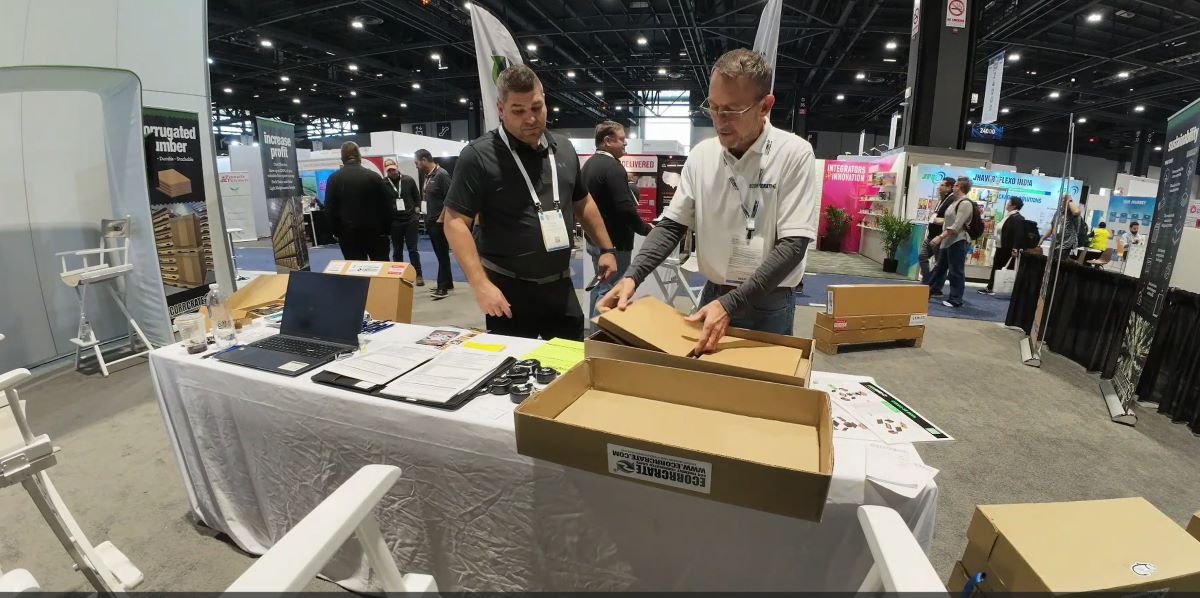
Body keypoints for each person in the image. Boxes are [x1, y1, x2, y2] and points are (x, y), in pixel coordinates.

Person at [598, 48, 819, 354]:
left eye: (732, 110)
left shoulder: (794, 153)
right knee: (704, 382)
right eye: (713, 107)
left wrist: (733, 303)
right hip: (715, 292)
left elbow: (794, 244)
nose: (719, 120)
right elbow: (672, 225)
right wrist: (633, 275)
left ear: (765, 106)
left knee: (762, 388)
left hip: (768, 300)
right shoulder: (703, 155)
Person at [441, 64, 617, 341]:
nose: (531, 118)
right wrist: (480, 285)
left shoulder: (564, 148)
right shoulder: (478, 156)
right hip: (509, 288)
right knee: (513, 373)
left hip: (560, 284)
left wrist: (606, 248)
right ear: (501, 109)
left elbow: (582, 201)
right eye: (518, 111)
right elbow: (455, 223)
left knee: (569, 365)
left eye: (536, 107)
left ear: (544, 100)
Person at [582, 120, 653, 317]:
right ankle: (603, 336)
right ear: (607, 141)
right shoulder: (613, 167)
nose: (625, 144)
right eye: (622, 140)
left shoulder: (589, 165)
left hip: (595, 239)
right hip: (615, 243)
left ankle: (594, 333)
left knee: (600, 287)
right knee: (610, 290)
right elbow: (625, 209)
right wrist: (647, 230)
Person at [324, 141, 395, 260]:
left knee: (356, 272)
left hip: (348, 235)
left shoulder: (333, 179)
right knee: (381, 270)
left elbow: (329, 209)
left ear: (342, 158)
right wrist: (387, 230)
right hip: (376, 233)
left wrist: (335, 232)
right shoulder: (374, 176)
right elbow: (387, 205)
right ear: (359, 156)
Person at [924, 178, 974, 308]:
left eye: (956, 185)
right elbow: (948, 221)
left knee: (956, 271)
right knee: (939, 268)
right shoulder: (955, 202)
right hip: (948, 241)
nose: (953, 187)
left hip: (957, 241)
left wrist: (940, 237)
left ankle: (955, 299)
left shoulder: (965, 204)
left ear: (961, 188)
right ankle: (925, 291)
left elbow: (957, 226)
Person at [415, 149, 454, 299]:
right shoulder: (427, 175)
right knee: (440, 254)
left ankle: (442, 287)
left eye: (417, 162)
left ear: (424, 160)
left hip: (439, 222)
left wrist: (441, 218)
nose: (417, 166)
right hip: (430, 221)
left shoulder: (442, 175)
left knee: (442, 255)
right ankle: (448, 282)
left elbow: (450, 199)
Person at [384, 158, 424, 286]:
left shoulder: (408, 180)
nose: (392, 172)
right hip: (395, 222)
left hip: (410, 220)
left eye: (393, 169)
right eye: (389, 170)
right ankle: (399, 277)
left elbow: (417, 198)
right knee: (397, 251)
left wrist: (417, 212)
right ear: (386, 171)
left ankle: (418, 275)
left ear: (397, 168)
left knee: (413, 250)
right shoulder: (383, 183)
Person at [980, 197, 1025, 295]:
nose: (1007, 204)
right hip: (1001, 246)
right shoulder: (1008, 216)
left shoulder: (1017, 218)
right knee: (996, 267)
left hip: (1008, 248)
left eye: (1009, 202)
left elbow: (1018, 234)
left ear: (1014, 205)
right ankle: (991, 287)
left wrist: (1015, 249)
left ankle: (998, 289)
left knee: (1004, 268)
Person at [918, 177, 957, 280]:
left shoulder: (952, 200)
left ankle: (935, 288)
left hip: (940, 237)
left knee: (939, 264)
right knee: (922, 256)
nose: (939, 187)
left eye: (942, 185)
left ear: (949, 188)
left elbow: (953, 221)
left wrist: (939, 220)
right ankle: (927, 281)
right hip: (931, 235)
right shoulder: (943, 199)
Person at [1040, 195, 1083, 261]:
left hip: (1065, 245)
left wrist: (1070, 200)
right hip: (1055, 244)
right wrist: (1043, 238)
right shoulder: (1058, 212)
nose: (1063, 201)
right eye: (1063, 200)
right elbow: (1052, 227)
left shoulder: (1072, 213)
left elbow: (1076, 212)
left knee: (1060, 264)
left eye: (1065, 200)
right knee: (1051, 263)